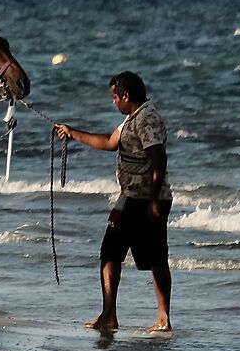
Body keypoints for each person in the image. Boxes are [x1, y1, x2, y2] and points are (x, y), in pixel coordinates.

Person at [55, 71, 171, 334]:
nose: (113, 102)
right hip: (131, 197)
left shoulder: (147, 118)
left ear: (126, 96)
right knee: (134, 255)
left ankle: (146, 317)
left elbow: (158, 158)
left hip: (143, 199)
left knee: (128, 255)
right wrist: (72, 133)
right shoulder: (133, 118)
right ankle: (116, 315)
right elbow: (108, 142)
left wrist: (153, 199)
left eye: (115, 97)